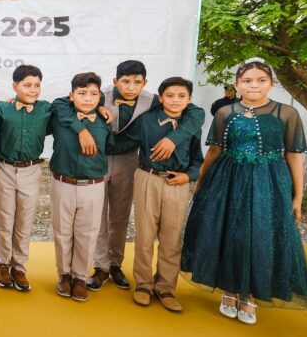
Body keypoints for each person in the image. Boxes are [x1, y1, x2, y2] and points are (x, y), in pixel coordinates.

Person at [181, 61, 307, 324]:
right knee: (228, 231)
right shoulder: (225, 113)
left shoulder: (287, 113)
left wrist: (298, 196)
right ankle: (229, 290)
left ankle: (252, 295)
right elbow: (214, 151)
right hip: (227, 180)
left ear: (271, 83)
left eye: (260, 80)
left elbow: (293, 156)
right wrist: (200, 183)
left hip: (269, 181)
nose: (253, 85)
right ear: (237, 84)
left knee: (260, 233)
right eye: (247, 81)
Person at [87, 61, 204, 293]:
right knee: (97, 216)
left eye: (137, 82)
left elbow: (196, 113)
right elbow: (70, 104)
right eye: (125, 81)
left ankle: (114, 264)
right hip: (97, 158)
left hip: (129, 158)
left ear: (145, 83)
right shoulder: (99, 95)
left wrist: (175, 138)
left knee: (119, 216)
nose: (131, 87)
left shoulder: (153, 99)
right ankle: (100, 266)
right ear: (115, 81)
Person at [112, 77, 204, 312]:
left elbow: (197, 159)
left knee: (172, 237)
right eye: (170, 96)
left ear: (189, 99)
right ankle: (143, 284)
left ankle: (166, 287)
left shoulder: (191, 123)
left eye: (182, 96)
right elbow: (122, 142)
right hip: (147, 178)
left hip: (177, 183)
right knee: (144, 233)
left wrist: (189, 175)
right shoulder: (146, 120)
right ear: (160, 97)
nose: (175, 100)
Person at [48, 72, 115, 302]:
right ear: (72, 95)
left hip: (93, 185)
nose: (88, 98)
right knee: (62, 231)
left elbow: (113, 146)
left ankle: (79, 277)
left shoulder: (104, 121)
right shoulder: (61, 113)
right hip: (62, 182)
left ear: (100, 97)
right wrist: (81, 129)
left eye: (94, 94)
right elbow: (58, 103)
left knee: (87, 233)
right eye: (82, 93)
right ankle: (64, 274)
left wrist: (102, 108)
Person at [0, 64, 53, 292]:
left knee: (25, 219)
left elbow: (67, 111)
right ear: (15, 86)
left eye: (37, 85)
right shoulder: (0, 108)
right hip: (4, 168)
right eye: (27, 85)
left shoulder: (47, 109)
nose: (33, 90)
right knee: (5, 219)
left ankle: (20, 266)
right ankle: (3, 263)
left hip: (31, 169)